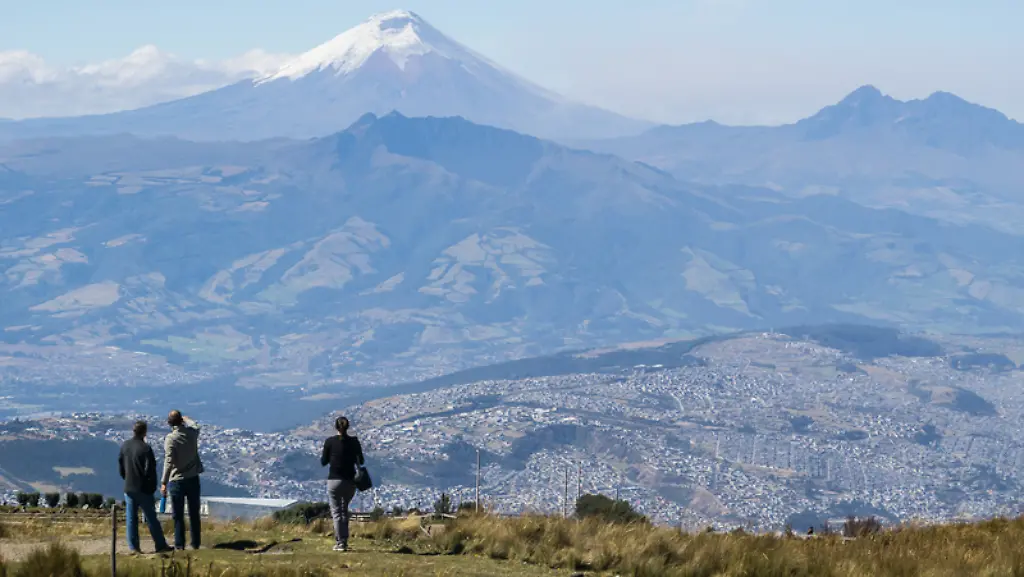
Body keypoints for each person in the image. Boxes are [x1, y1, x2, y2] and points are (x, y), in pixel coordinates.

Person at [118, 420, 172, 555]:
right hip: (143, 489)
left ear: (133, 431)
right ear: (144, 432)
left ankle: (134, 547)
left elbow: (121, 467)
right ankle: (160, 545)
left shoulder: (125, 446)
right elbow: (150, 471)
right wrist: (151, 487)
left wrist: (126, 478)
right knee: (151, 518)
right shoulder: (145, 449)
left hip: (129, 487)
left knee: (131, 518)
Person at [160, 410, 204, 551]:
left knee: (178, 515)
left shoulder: (171, 439)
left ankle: (179, 544)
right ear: (181, 421)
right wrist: (187, 419)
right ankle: (195, 543)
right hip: (192, 477)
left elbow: (169, 461)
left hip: (177, 479)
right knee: (194, 513)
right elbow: (196, 426)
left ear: (169, 423)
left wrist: (164, 482)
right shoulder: (191, 434)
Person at [321, 416, 365, 552]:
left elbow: (323, 461)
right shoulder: (354, 442)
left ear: (336, 427)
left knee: (336, 512)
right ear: (348, 427)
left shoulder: (330, 442)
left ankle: (340, 543)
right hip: (350, 481)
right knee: (344, 510)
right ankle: (344, 541)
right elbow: (361, 461)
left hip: (334, 480)